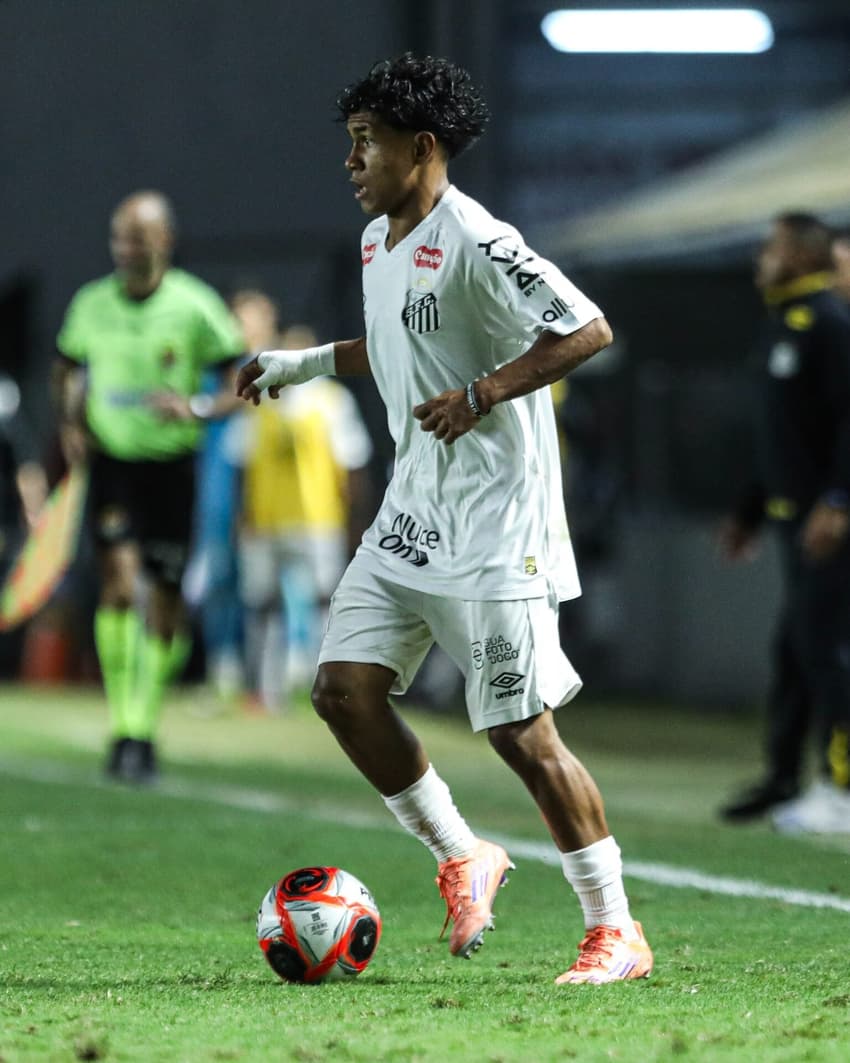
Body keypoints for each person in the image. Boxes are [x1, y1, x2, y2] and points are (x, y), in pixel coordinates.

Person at [237, 54, 653, 984]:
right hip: (413, 511)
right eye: (348, 146)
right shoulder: (378, 240)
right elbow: (388, 350)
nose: (351, 164)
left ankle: (616, 929)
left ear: (421, 147)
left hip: (499, 527)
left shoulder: (480, 238)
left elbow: (587, 326)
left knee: (521, 734)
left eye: (366, 146)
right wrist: (294, 364)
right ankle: (463, 854)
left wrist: (484, 390)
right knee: (343, 689)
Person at [53, 190, 245, 782]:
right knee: (116, 585)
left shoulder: (195, 306)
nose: (123, 249)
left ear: (163, 241)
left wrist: (196, 407)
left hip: (171, 467)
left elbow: (241, 379)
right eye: (118, 237)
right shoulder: (91, 304)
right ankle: (124, 728)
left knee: (164, 601)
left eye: (135, 237)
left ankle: (147, 723)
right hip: (114, 462)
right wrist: (69, 423)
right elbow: (67, 366)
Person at [718, 212, 850, 833]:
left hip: (829, 523)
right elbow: (778, 440)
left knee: (825, 648)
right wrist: (748, 511)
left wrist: (839, 501)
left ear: (800, 255)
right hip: (793, 521)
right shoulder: (782, 327)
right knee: (797, 648)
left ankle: (843, 788)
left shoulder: (830, 324)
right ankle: (783, 780)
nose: (760, 257)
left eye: (770, 247)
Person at [229, 290, 373, 710]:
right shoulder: (259, 403)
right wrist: (243, 513)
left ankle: (323, 683)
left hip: (318, 519)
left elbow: (353, 465)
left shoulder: (332, 401)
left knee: (324, 602)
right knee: (263, 604)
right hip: (267, 519)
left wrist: (353, 521)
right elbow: (240, 462)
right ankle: (265, 687)